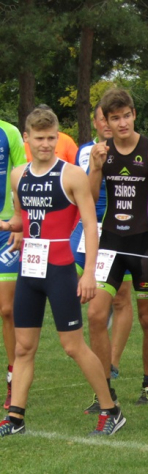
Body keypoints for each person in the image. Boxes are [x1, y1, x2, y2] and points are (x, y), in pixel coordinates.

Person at [0, 107, 125, 437]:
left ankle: (110, 408)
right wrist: (8, 226)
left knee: (72, 346)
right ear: (26, 139)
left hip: (59, 268)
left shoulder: (71, 175)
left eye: (51, 138)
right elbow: (21, 220)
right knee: (24, 347)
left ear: (58, 137)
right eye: (39, 138)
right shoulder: (18, 175)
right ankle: (15, 417)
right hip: (30, 269)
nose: (45, 144)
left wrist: (89, 274)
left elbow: (89, 224)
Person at [85, 87, 148, 410]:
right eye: (114, 118)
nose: (122, 123)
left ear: (134, 114)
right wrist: (95, 167)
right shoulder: (101, 152)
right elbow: (91, 198)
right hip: (111, 242)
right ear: (105, 122)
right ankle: (104, 390)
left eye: (126, 116)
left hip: (144, 244)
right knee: (96, 315)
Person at [72, 103, 134, 384]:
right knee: (92, 297)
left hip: (124, 228)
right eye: (104, 120)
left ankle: (113, 362)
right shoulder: (84, 151)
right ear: (97, 123)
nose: (110, 125)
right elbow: (78, 190)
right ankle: (98, 357)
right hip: (90, 226)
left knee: (122, 296)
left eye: (117, 118)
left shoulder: (134, 148)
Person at [0, 118, 25, 410]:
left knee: (7, 309)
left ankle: (13, 377)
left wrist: (19, 222)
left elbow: (22, 175)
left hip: (5, 229)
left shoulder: (9, 132)